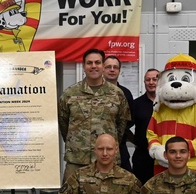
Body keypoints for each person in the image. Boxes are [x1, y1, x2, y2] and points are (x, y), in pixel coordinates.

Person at [58, 48, 131, 182]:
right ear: (84, 66)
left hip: (107, 161)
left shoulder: (117, 94)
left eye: (97, 62)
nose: (93, 66)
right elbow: (64, 125)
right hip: (77, 160)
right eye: (89, 63)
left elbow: (121, 126)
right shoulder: (69, 94)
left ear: (103, 66)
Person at [103, 55, 135, 172]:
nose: (112, 70)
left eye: (115, 67)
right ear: (102, 69)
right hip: (98, 146)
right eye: (108, 67)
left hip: (119, 145)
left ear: (119, 71)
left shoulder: (125, 93)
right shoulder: (94, 91)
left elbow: (130, 119)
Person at [130, 68, 159, 184]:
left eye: (154, 79)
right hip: (142, 156)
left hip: (163, 156)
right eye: (148, 80)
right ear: (144, 82)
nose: (151, 82)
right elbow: (125, 127)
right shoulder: (136, 104)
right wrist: (136, 141)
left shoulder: (168, 103)